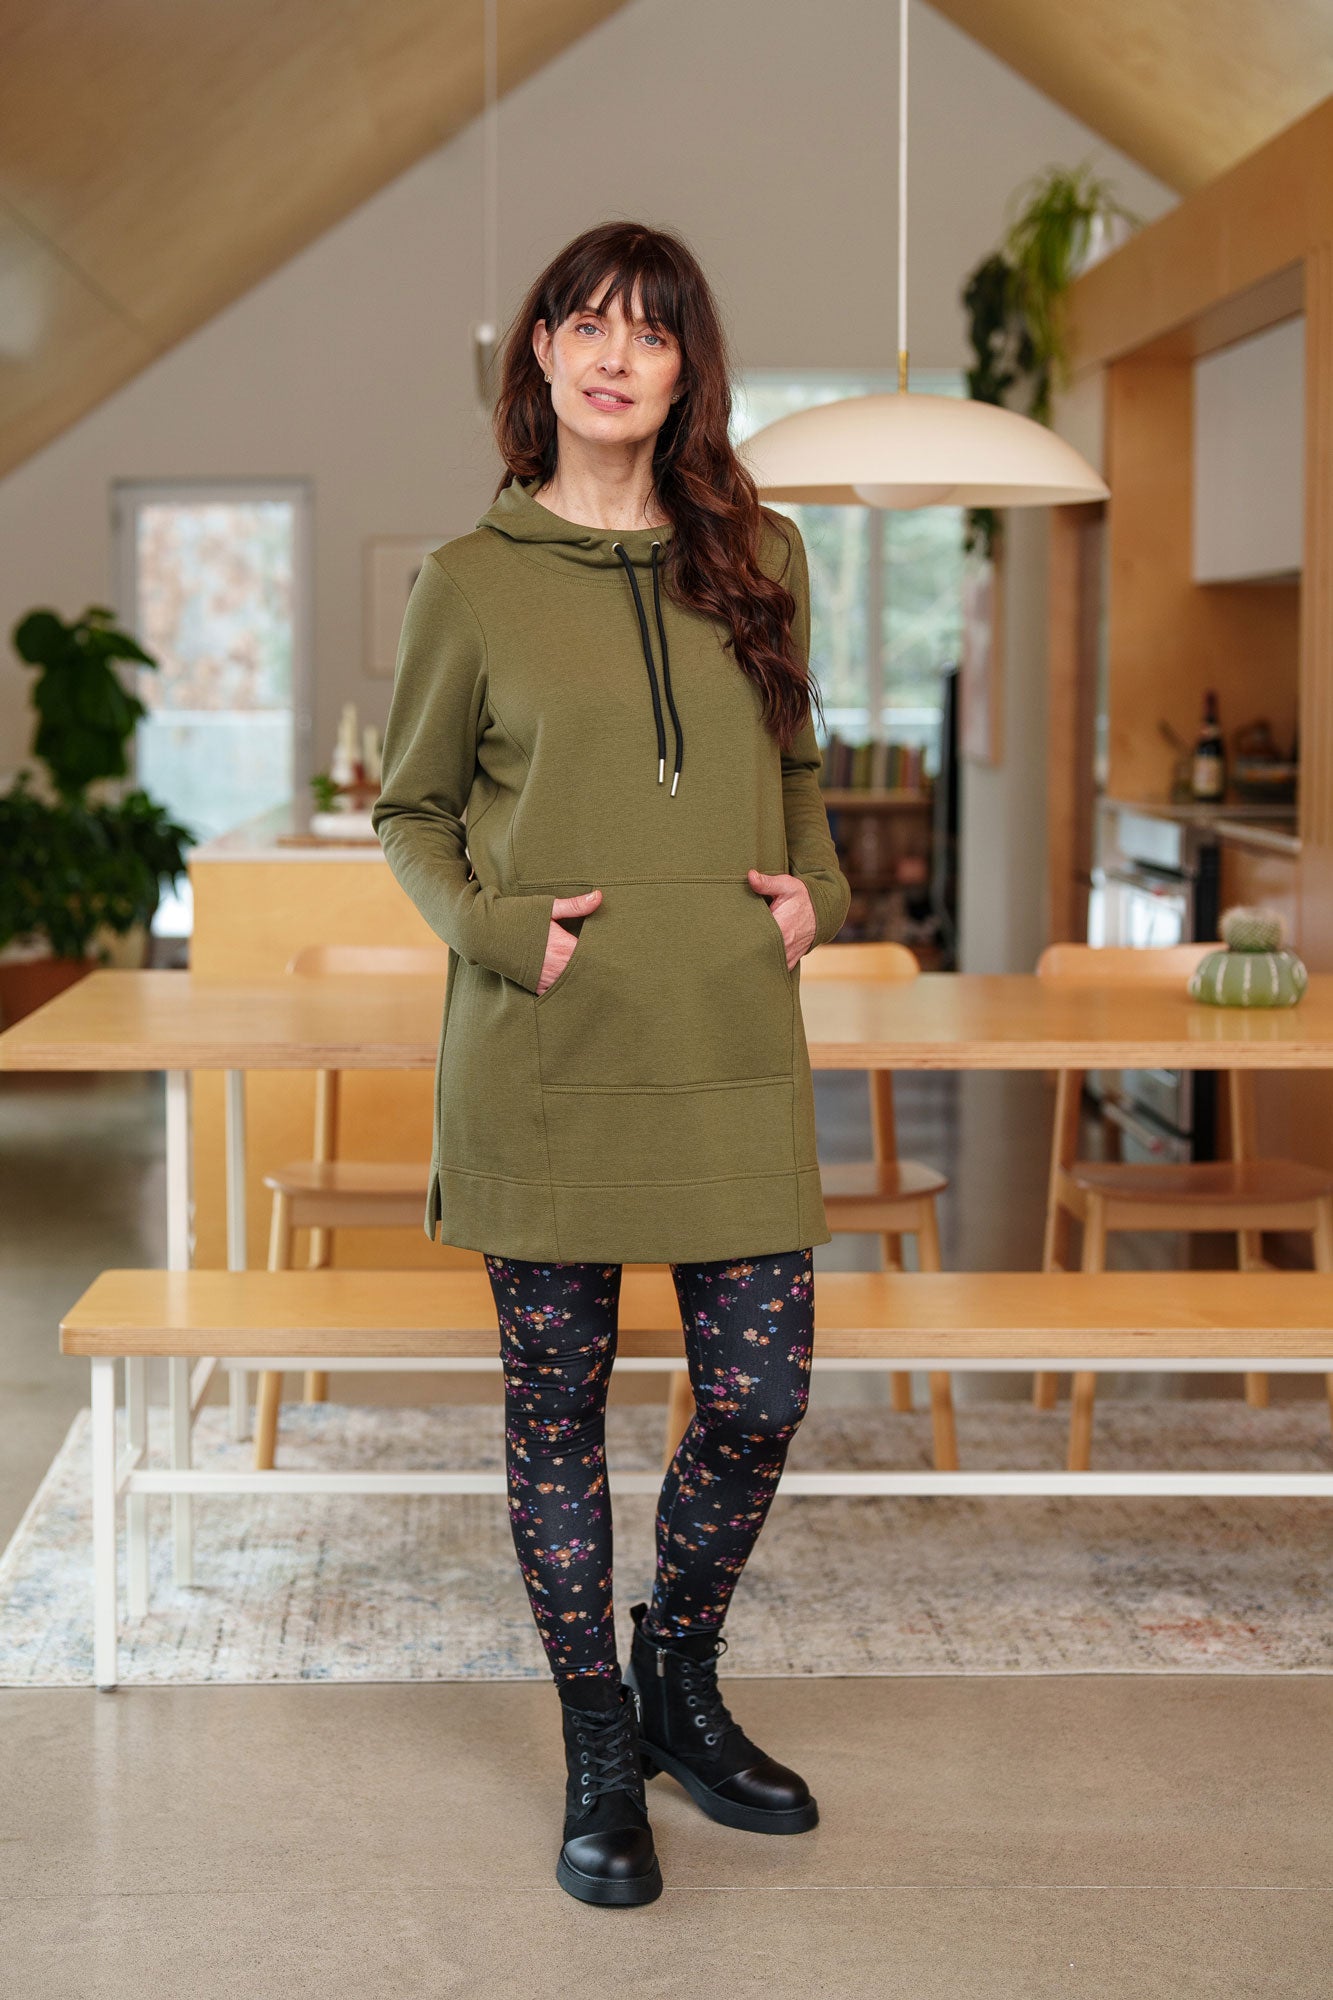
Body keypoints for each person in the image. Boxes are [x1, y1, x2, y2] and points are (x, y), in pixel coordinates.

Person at [372, 220, 851, 1908]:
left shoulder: (764, 555)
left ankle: (680, 1677)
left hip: (726, 1044)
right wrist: (502, 931)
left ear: (683, 372)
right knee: (555, 1417)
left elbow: (800, 776)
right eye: (582, 322)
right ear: (539, 355)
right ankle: (598, 1746)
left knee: (758, 1394)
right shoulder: (469, 577)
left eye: (647, 333)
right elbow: (411, 811)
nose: (610, 353)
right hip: (548, 1055)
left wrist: (823, 894)